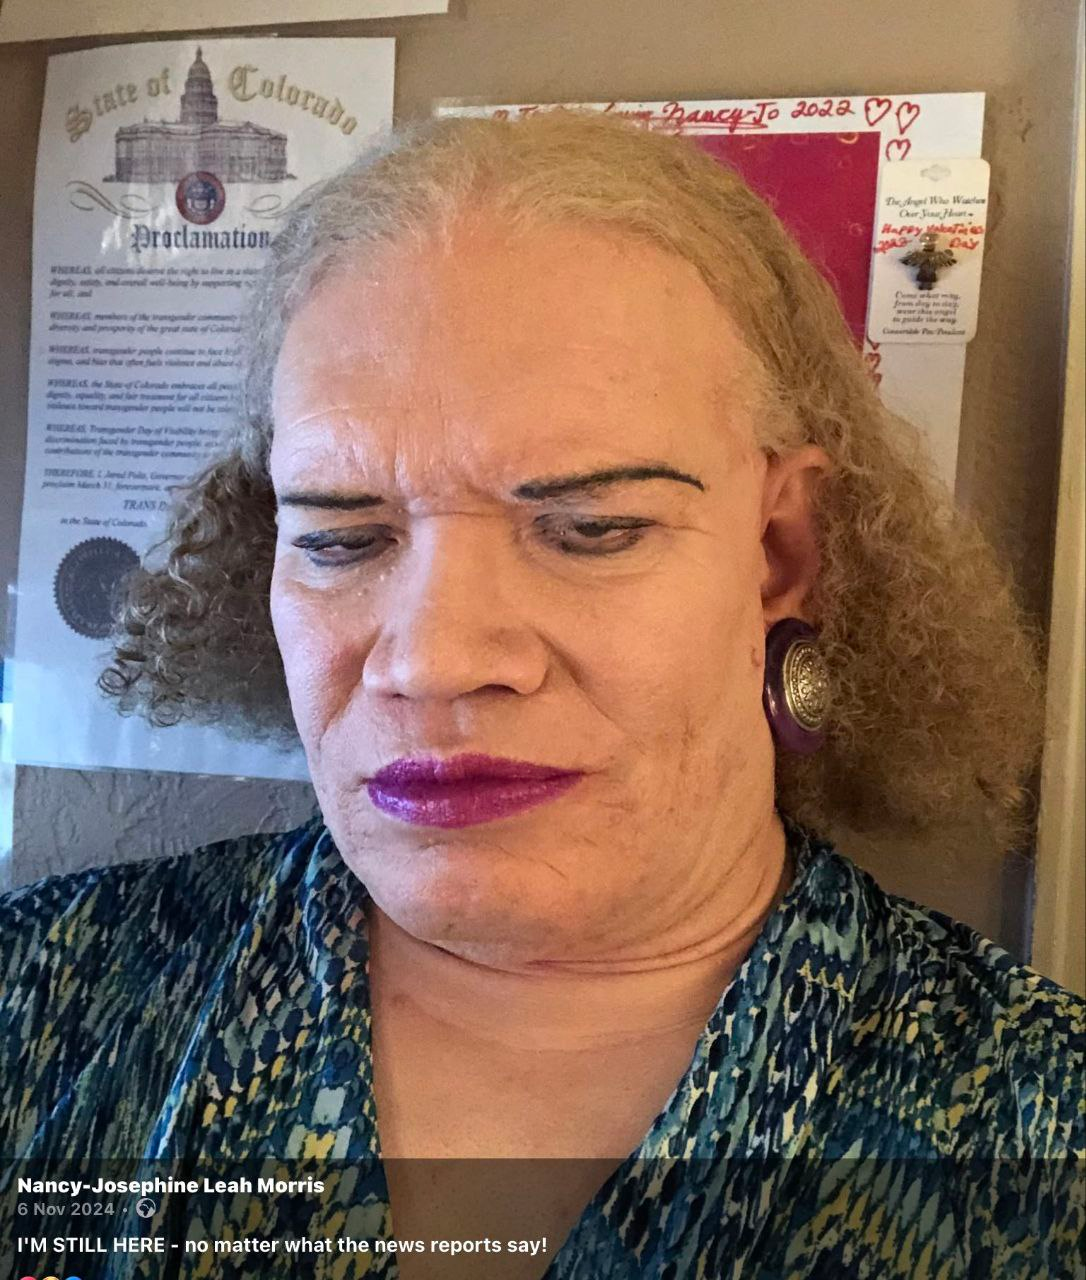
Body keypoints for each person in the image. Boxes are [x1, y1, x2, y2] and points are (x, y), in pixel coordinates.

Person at [2, 111, 1082, 1279]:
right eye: (342, 538)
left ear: (779, 554)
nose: (434, 658)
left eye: (591, 527)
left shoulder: (1035, 1126)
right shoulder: (40, 1001)